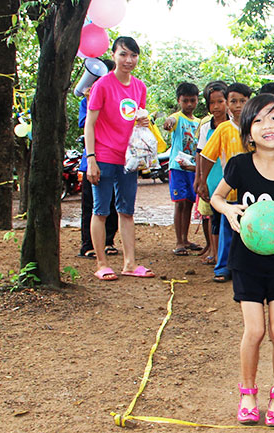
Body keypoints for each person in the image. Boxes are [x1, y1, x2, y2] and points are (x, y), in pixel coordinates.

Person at [209, 94, 274, 427]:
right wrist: (228, 209)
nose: (267, 127)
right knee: (253, 330)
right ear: (248, 130)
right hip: (245, 261)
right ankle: (248, 394)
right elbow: (216, 197)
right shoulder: (239, 165)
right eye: (258, 121)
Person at [84, 36, 153, 281]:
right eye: (123, 54)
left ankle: (130, 263)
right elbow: (89, 125)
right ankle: (102, 263)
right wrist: (91, 158)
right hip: (103, 156)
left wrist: (143, 121)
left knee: (127, 211)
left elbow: (137, 120)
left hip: (129, 159)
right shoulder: (102, 85)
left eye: (133, 55)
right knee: (100, 210)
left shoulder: (139, 87)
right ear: (113, 55)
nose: (128, 60)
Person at [197, 82, 252, 282]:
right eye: (234, 101)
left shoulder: (256, 126)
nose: (238, 106)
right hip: (229, 191)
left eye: (242, 101)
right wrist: (202, 181)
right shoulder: (223, 129)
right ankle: (222, 268)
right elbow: (207, 156)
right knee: (227, 230)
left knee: (250, 228)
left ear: (249, 102)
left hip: (253, 191)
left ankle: (247, 268)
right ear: (228, 104)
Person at [76, 61, 119, 260]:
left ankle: (108, 241)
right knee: (91, 205)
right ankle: (88, 245)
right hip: (92, 161)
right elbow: (85, 124)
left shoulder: (118, 99)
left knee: (112, 204)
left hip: (114, 160)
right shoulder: (86, 102)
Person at [162, 82, 201, 255]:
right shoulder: (177, 118)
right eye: (185, 101)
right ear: (179, 101)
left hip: (192, 168)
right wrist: (168, 122)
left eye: (192, 100)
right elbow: (169, 121)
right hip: (177, 168)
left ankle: (185, 239)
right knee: (180, 204)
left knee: (189, 204)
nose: (189, 104)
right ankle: (179, 241)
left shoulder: (199, 123)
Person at [194, 81, 229, 266]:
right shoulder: (207, 127)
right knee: (213, 217)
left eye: (220, 102)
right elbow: (201, 153)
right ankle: (215, 254)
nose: (215, 107)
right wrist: (199, 179)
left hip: (229, 178)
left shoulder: (234, 124)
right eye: (211, 103)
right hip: (211, 177)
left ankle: (226, 255)